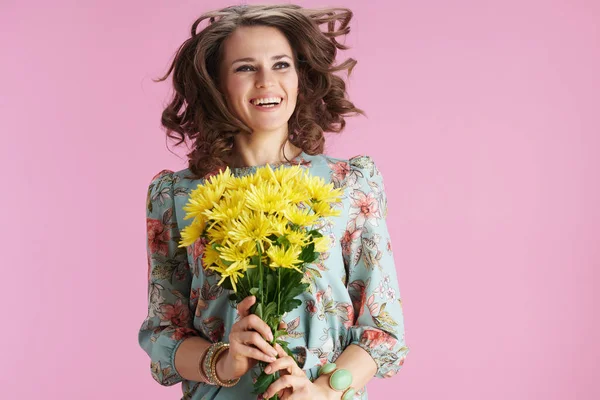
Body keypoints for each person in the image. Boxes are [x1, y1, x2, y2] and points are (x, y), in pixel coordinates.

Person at [139, 4, 409, 399]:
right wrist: (223, 361)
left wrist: (324, 391)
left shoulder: (349, 184)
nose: (267, 81)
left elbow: (382, 330)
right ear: (217, 84)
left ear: (300, 77)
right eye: (245, 68)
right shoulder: (177, 196)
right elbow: (163, 333)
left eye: (281, 65)